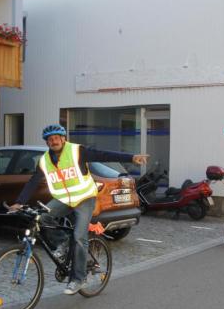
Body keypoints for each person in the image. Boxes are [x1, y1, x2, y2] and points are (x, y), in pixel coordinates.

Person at [9, 124, 148, 295]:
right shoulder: (44, 161)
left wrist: (132, 157)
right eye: (50, 139)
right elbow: (33, 181)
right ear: (47, 143)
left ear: (63, 138)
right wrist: (19, 202)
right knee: (43, 217)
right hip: (63, 200)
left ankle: (78, 279)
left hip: (84, 198)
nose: (54, 141)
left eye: (57, 138)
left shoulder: (77, 151)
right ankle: (62, 243)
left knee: (79, 237)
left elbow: (103, 155)